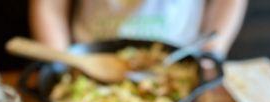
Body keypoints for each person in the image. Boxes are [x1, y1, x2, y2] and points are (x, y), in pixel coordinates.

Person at [29, 0, 248, 59]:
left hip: (181, 55)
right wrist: (59, 61)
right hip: (90, 56)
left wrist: (211, 51)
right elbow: (50, 5)